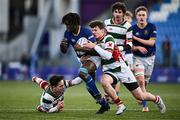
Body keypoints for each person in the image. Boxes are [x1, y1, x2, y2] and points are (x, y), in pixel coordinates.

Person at [84, 20, 166, 115]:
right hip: (109, 70)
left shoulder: (108, 38)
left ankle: (157, 99)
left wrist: (94, 46)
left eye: (95, 30)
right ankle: (120, 105)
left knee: (140, 96)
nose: (93, 32)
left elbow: (107, 55)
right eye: (92, 30)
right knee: (104, 81)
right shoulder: (96, 42)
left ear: (102, 31)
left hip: (122, 69)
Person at [60, 12, 109, 114]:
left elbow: (96, 49)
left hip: (94, 57)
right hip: (83, 60)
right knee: (89, 87)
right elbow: (64, 51)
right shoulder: (67, 33)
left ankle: (99, 96)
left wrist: (82, 48)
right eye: (66, 24)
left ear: (75, 24)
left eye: (69, 24)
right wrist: (63, 46)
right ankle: (104, 105)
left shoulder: (87, 32)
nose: (67, 27)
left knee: (82, 73)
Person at [104, 2, 133, 102]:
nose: (117, 14)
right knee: (107, 79)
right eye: (115, 12)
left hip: (119, 58)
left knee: (138, 94)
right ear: (113, 13)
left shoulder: (128, 26)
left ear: (123, 14)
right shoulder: (106, 23)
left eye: (119, 12)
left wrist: (117, 48)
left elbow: (130, 45)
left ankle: (109, 96)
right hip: (107, 57)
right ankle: (108, 98)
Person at [132, 6, 157, 112]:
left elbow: (152, 43)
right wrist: (137, 47)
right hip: (137, 58)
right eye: (139, 15)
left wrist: (137, 39)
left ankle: (141, 95)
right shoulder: (132, 29)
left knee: (145, 83)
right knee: (141, 81)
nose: (141, 17)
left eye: (143, 15)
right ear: (136, 16)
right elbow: (129, 47)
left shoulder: (152, 26)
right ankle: (145, 106)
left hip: (150, 58)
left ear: (147, 16)